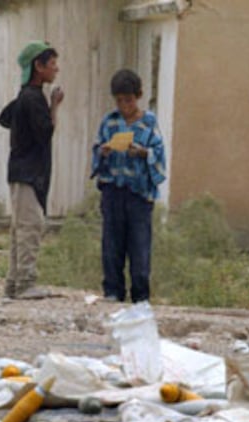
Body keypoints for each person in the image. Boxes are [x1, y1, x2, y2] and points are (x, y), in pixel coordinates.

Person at [91, 69, 166, 304]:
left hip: (138, 194)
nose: (124, 106)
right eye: (120, 101)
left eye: (129, 100)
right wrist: (103, 151)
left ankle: (140, 295)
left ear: (139, 96)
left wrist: (143, 152)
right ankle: (112, 290)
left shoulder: (149, 123)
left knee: (139, 246)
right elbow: (97, 149)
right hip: (114, 191)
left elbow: (159, 153)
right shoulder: (110, 121)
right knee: (112, 244)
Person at [0, 41, 64, 299]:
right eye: (52, 64)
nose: (56, 69)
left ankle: (13, 283)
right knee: (30, 226)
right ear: (38, 66)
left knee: (20, 227)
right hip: (29, 172)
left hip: (19, 171)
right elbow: (46, 132)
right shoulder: (33, 98)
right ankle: (25, 282)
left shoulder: (23, 97)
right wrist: (54, 106)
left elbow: (4, 118)